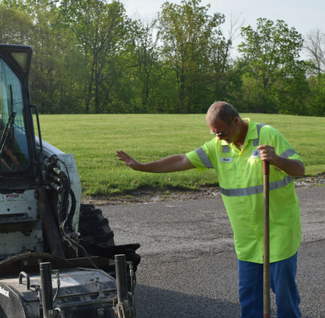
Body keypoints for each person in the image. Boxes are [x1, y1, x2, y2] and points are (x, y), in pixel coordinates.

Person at [117, 101, 304, 318]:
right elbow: (181, 160)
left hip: (278, 234)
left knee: (285, 299)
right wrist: (142, 166)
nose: (217, 137)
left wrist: (277, 160)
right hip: (248, 240)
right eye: (213, 132)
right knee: (250, 300)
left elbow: (299, 169)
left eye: (221, 132)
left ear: (236, 121)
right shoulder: (218, 145)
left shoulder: (268, 135)